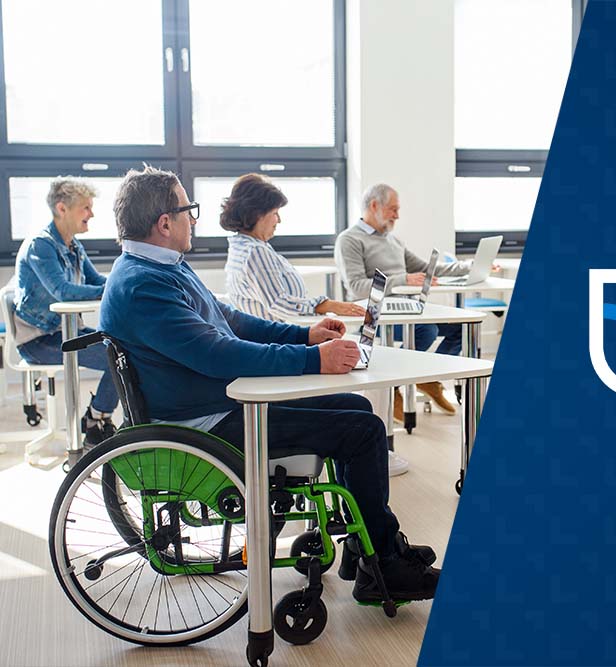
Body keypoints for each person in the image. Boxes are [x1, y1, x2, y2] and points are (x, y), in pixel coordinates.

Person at [100, 165, 439, 603]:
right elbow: (217, 354)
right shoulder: (143, 285)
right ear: (165, 223)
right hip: (204, 424)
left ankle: (368, 545)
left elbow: (231, 321)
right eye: (189, 210)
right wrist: (313, 359)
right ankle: (385, 568)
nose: (195, 219)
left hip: (212, 406)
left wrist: (304, 335)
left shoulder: (158, 267)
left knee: (356, 407)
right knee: (364, 429)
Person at [335, 183, 470, 418]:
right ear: (374, 205)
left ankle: (426, 378)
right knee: (426, 331)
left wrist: (468, 267)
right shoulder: (349, 240)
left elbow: (428, 269)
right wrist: (402, 279)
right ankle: (395, 385)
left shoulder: (393, 240)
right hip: (373, 312)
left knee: (460, 329)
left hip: (406, 308)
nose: (397, 215)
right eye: (393, 209)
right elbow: (357, 287)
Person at [13, 178, 118, 445]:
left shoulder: (72, 245)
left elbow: (96, 281)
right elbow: (63, 290)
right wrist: (109, 291)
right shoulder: (41, 245)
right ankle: (95, 422)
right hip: (39, 340)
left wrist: (122, 285)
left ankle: (96, 417)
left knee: (125, 346)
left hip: (69, 331)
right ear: (62, 209)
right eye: (85, 207)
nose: (91, 214)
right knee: (115, 357)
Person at [222, 174, 364, 321]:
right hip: (274, 340)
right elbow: (279, 304)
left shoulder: (242, 246)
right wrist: (329, 305)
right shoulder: (255, 251)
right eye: (275, 213)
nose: (279, 220)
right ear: (256, 214)